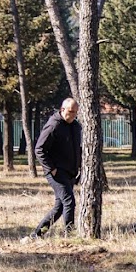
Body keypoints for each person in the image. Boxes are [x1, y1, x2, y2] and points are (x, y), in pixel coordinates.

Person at [28, 98, 82, 240]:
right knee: (69, 201)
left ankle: (37, 234)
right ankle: (70, 235)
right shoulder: (54, 125)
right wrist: (51, 168)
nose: (73, 115)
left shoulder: (76, 126)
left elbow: (77, 149)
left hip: (70, 172)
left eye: (75, 112)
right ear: (62, 109)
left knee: (59, 207)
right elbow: (39, 149)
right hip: (57, 172)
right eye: (71, 112)